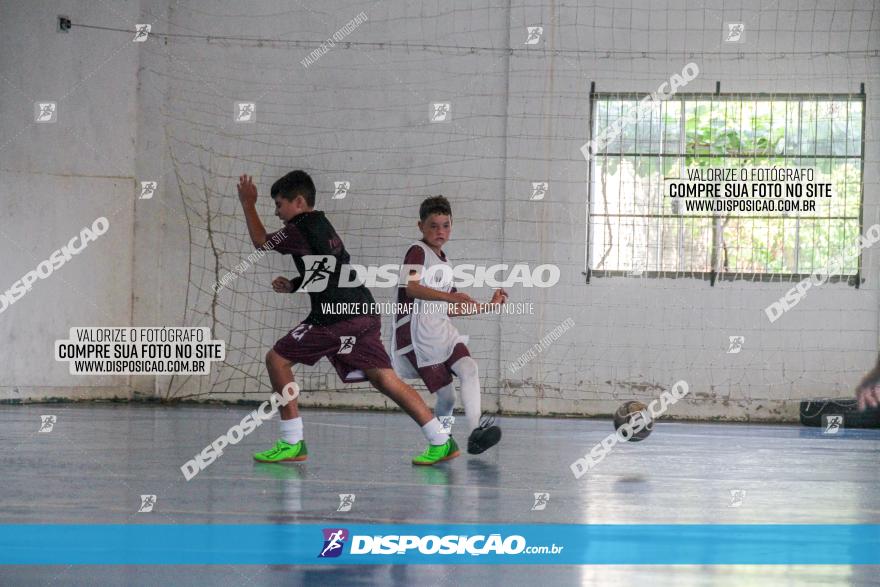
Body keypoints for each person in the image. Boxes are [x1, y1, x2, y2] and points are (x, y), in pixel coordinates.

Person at [237, 171, 459, 465]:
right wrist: (294, 284)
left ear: (299, 202)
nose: (277, 212)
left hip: (335, 318)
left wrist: (248, 203)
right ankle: (441, 440)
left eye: (279, 205)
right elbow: (328, 268)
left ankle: (292, 441)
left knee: (276, 360)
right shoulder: (322, 224)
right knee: (384, 378)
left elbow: (260, 242)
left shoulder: (298, 226)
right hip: (363, 312)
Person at [391, 195, 506, 455]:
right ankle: (442, 443)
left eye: (445, 225)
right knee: (447, 397)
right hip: (418, 337)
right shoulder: (417, 251)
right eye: (433, 225)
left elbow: (452, 307)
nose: (440, 231)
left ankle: (476, 432)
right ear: (420, 226)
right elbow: (411, 287)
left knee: (469, 368)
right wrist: (448, 296)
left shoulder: (445, 260)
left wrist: (490, 304)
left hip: (441, 331)